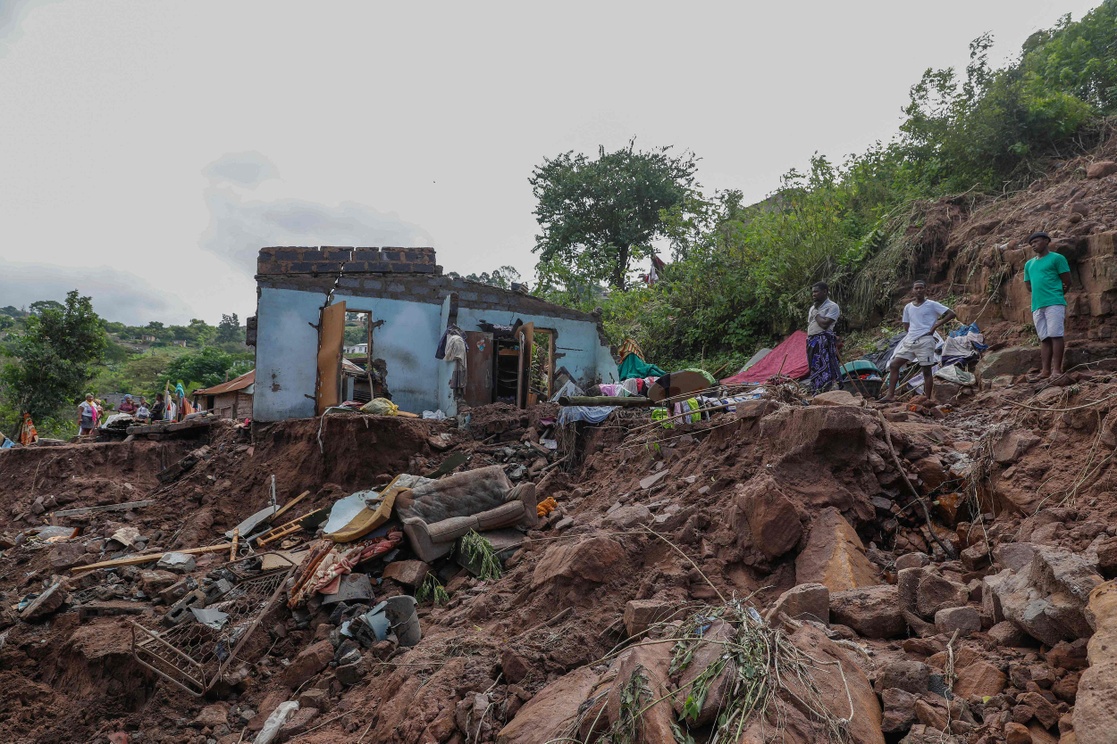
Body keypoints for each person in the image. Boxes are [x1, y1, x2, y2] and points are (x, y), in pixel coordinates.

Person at [880, 279, 956, 403]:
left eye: (921, 288)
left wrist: (935, 326)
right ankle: (890, 395)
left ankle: (927, 398)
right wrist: (912, 333)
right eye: (916, 288)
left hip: (926, 340)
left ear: (925, 290)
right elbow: (906, 324)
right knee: (894, 364)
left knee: (926, 370)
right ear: (913, 290)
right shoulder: (908, 307)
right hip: (910, 341)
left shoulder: (932, 304)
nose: (919, 290)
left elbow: (951, 314)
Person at [1023, 231, 1072, 380]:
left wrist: (1056, 294)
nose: (1034, 245)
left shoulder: (1057, 258)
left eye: (1037, 241)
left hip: (1054, 302)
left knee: (1056, 335)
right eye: (1032, 243)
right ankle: (1045, 371)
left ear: (1046, 241)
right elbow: (1028, 285)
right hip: (1037, 305)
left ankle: (1056, 370)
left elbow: (1067, 281)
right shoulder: (1029, 264)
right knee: (1044, 338)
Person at [806, 281, 842, 393]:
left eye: (816, 292)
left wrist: (816, 313)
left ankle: (828, 388)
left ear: (825, 292)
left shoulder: (832, 306)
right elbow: (811, 324)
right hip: (812, 341)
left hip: (823, 340)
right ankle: (817, 389)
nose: (813, 294)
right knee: (814, 366)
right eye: (812, 292)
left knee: (826, 365)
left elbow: (824, 324)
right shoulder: (812, 308)